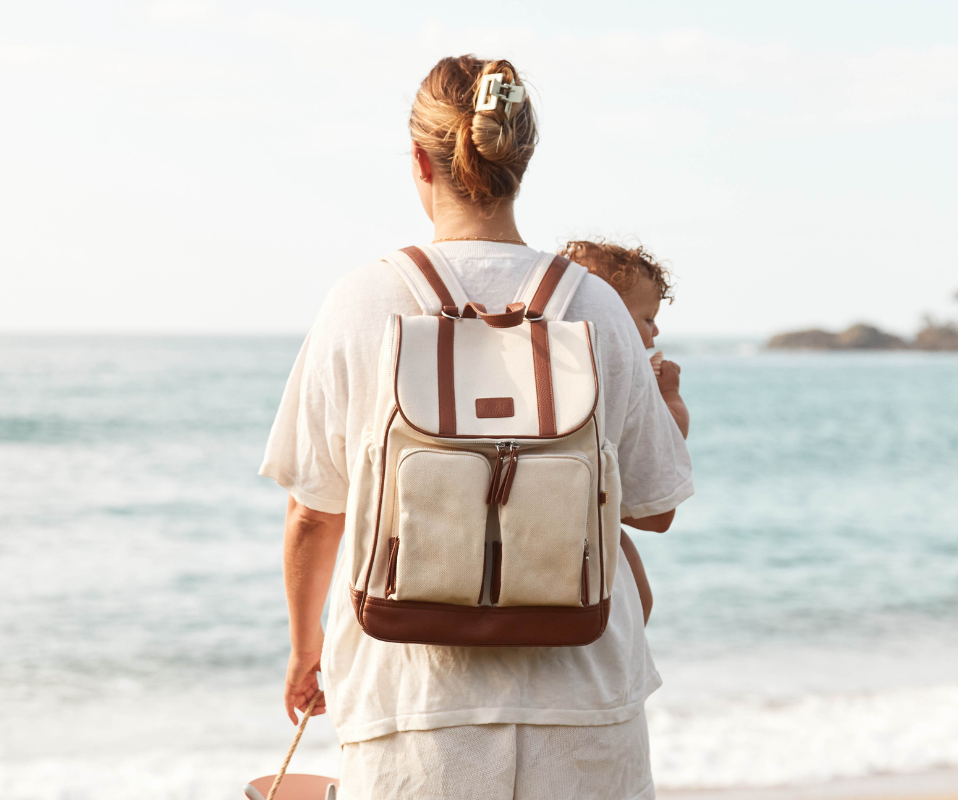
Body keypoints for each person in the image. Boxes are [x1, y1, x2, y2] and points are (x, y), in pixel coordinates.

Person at [259, 55, 693, 800]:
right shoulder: (597, 307)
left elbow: (312, 511)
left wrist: (307, 648)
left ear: (422, 159)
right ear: (522, 159)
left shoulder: (362, 300)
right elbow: (652, 509)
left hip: (412, 706)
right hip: (584, 700)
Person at [561, 239, 691, 625]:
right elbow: (670, 437)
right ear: (612, 313)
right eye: (647, 319)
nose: (655, 331)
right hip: (598, 516)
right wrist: (670, 393)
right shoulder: (634, 375)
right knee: (640, 600)